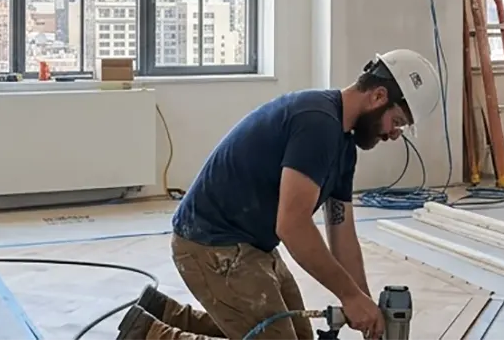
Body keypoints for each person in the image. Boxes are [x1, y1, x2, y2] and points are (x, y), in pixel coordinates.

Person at [116, 49, 442, 340]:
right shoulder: (318, 124)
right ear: (378, 96)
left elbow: (342, 233)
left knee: (296, 336)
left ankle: (165, 313)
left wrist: (362, 303)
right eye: (396, 122)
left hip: (250, 247)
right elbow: (292, 226)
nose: (393, 135)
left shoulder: (343, 144)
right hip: (210, 244)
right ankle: (150, 335)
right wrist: (349, 296)